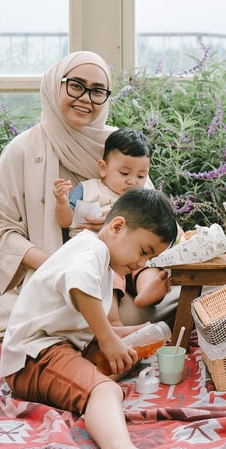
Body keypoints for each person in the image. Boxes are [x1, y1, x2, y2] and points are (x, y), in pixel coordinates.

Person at [0, 51, 177, 338]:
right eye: (76, 85)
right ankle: (106, 326)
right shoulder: (22, 150)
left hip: (123, 271)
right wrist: (63, 266)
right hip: (51, 271)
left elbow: (149, 214)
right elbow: (2, 232)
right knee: (75, 304)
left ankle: (111, 324)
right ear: (54, 85)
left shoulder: (118, 147)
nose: (86, 98)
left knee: (183, 293)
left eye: (97, 91)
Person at [0, 187, 187, 449]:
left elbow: (88, 320)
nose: (141, 264)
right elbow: (79, 287)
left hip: (56, 346)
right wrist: (109, 339)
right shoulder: (92, 250)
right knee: (105, 389)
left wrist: (126, 334)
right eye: (143, 251)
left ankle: (94, 383)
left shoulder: (97, 256)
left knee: (128, 350)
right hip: (33, 357)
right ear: (117, 227)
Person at [54, 128, 172, 322]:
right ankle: (113, 319)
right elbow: (65, 222)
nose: (132, 181)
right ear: (103, 168)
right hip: (103, 256)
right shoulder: (89, 189)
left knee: (146, 265)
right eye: (124, 173)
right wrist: (62, 202)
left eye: (141, 176)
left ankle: (148, 289)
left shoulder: (140, 200)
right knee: (109, 276)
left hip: (133, 255)